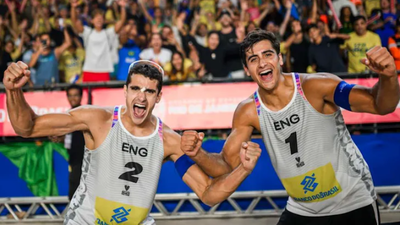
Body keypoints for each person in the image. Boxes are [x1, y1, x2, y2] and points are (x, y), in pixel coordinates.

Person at [181, 29, 400, 225]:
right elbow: (226, 165)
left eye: (268, 54)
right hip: (302, 209)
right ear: (247, 69)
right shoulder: (248, 110)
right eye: (253, 59)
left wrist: (388, 76)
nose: (263, 63)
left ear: (280, 59)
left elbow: (379, 104)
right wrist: (198, 154)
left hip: (352, 203)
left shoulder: (315, 86)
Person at [3, 60, 261, 225]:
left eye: (149, 91)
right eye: (136, 89)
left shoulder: (168, 139)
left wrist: (243, 169)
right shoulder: (97, 119)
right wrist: (13, 91)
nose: (142, 97)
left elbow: (208, 194)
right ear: (125, 90)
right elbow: (28, 127)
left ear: (158, 97)